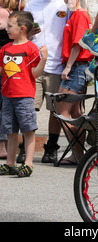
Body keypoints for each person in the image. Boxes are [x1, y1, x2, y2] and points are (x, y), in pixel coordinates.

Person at [24, 0, 68, 163]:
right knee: (28, 108)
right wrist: (29, 32)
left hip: (57, 64)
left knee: (55, 110)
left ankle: (51, 147)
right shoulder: (31, 5)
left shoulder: (65, 4)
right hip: (33, 64)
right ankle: (25, 147)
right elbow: (22, 33)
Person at [0, 11, 48, 177]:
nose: (6, 29)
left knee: (28, 131)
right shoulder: (5, 49)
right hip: (7, 97)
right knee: (11, 132)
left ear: (22, 29)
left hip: (24, 97)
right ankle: (10, 163)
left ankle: (28, 163)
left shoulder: (31, 48)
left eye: (10, 26)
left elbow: (35, 74)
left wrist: (43, 59)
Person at [57, 0, 93, 164]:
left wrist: (68, 66)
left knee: (62, 109)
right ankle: (78, 155)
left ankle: (80, 155)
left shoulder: (80, 15)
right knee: (77, 112)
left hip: (77, 67)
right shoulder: (74, 15)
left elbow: (78, 43)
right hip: (79, 66)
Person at [0, 0, 25, 159]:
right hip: (10, 65)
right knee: (7, 107)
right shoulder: (12, 16)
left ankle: (4, 147)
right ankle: (8, 147)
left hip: (4, 64)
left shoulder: (5, 14)